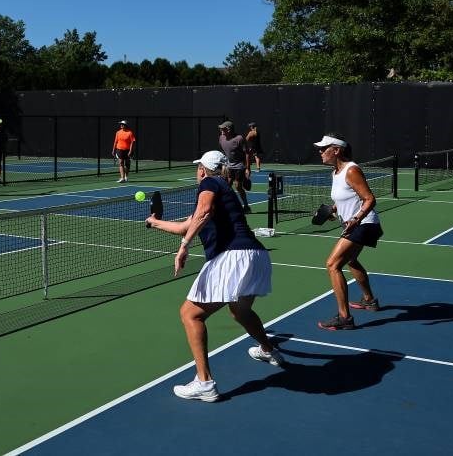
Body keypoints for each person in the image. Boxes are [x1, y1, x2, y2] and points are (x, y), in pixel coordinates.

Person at [146, 150, 283, 402]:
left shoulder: (209, 183)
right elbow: (188, 225)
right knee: (240, 311)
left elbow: (203, 213)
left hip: (233, 256)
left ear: (202, 170)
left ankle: (205, 383)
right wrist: (155, 222)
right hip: (256, 256)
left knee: (190, 314)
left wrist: (184, 246)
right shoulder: (224, 190)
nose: (196, 171)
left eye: (197, 167)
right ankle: (268, 349)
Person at [313, 133, 384, 331]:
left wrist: (355, 219)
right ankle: (369, 300)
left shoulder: (351, 170)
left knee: (332, 264)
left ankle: (345, 318)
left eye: (323, 148)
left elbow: (370, 199)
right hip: (356, 224)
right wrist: (331, 211)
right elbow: (342, 199)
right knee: (350, 260)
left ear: (336, 150)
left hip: (364, 224)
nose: (320, 152)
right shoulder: (335, 173)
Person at [218, 121, 251, 213]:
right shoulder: (221, 138)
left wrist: (248, 168)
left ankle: (246, 206)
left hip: (239, 166)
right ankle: (227, 206)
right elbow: (224, 152)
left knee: (238, 186)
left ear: (228, 129)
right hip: (229, 166)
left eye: (222, 128)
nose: (221, 130)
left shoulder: (239, 139)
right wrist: (224, 164)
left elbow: (247, 153)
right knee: (226, 186)